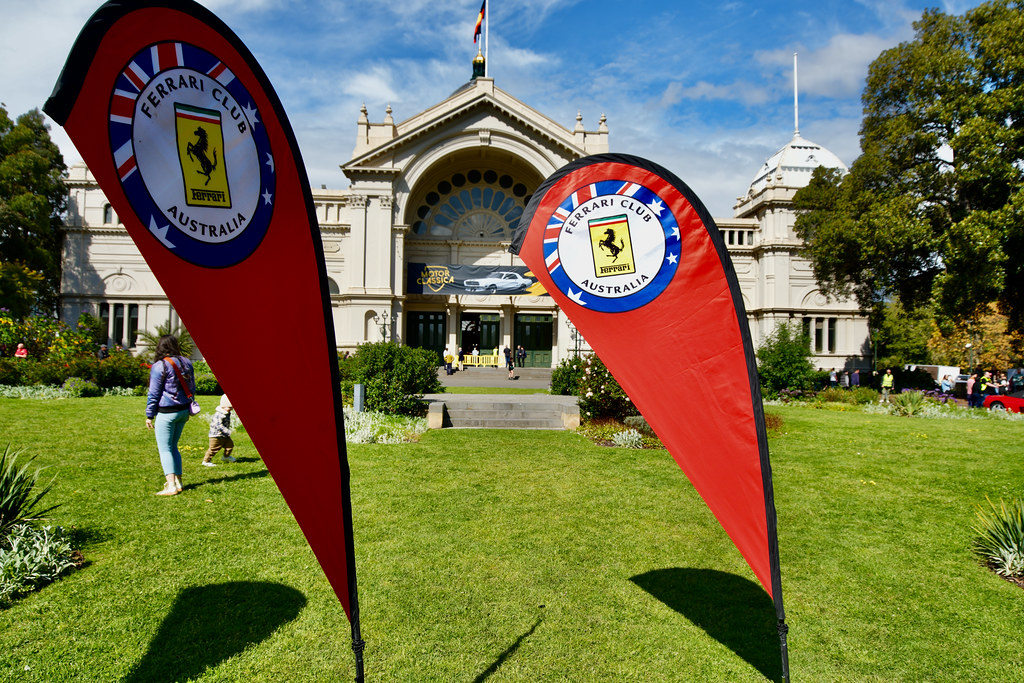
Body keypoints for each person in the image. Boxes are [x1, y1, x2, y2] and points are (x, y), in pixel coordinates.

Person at [145, 335, 196, 496]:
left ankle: (171, 485)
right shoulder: (186, 362)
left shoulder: (160, 366)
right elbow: (192, 387)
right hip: (182, 410)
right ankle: (179, 482)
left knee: (165, 449)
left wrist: (149, 415)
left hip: (167, 412)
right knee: (173, 446)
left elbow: (153, 393)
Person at [202, 394, 236, 467]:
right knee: (213, 449)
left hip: (224, 435)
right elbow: (218, 425)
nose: (231, 409)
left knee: (230, 446)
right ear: (223, 406)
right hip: (216, 435)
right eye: (229, 407)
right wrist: (227, 431)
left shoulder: (227, 413)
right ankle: (206, 461)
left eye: (232, 407)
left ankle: (226, 457)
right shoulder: (219, 414)